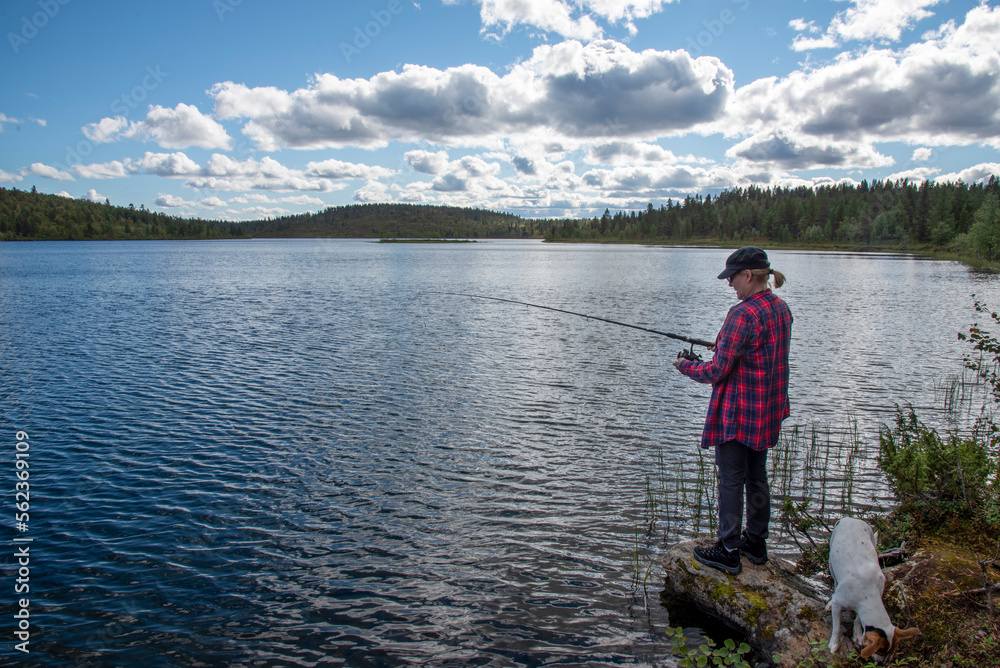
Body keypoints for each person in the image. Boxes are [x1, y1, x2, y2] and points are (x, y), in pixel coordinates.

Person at [672, 246, 792, 575]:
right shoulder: (780, 308)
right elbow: (755, 351)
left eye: (733, 278)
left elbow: (715, 372)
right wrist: (723, 345)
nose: (730, 285)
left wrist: (684, 366)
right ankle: (756, 543)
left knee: (730, 481)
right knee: (757, 479)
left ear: (749, 276)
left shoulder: (742, 314)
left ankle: (728, 549)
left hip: (739, 414)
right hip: (766, 411)